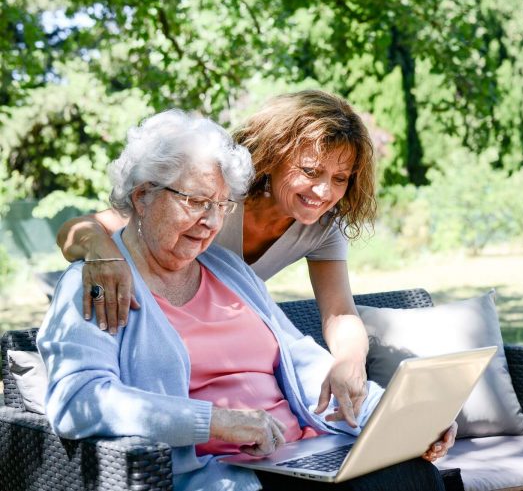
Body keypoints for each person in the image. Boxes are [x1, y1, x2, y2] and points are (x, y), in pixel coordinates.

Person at [38, 110, 456, 491]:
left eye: (220, 206)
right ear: (143, 196)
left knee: (415, 476)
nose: (210, 223)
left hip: (300, 457)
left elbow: (305, 365)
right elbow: (79, 401)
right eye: (196, 202)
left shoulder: (226, 269)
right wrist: (215, 422)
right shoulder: (98, 282)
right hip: (225, 474)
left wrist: (401, 415)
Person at [57, 90, 377, 426]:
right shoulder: (218, 193)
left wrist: (350, 362)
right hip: (169, 322)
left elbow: (339, 313)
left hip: (230, 325)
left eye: (340, 179)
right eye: (311, 171)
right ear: (274, 155)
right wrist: (102, 252)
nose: (324, 191)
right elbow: (80, 228)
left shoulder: (321, 227)